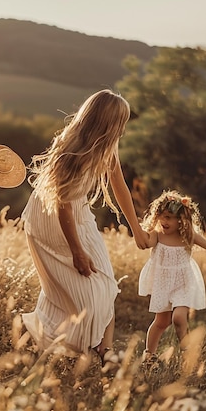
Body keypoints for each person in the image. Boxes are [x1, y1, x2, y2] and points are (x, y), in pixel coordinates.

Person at [21, 89, 149, 365]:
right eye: (121, 122)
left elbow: (120, 187)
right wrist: (76, 250)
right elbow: (61, 205)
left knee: (105, 283)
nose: (123, 129)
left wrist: (136, 228)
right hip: (51, 218)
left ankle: (104, 350)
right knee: (80, 288)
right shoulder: (71, 151)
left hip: (79, 213)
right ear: (106, 123)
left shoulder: (106, 146)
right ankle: (48, 335)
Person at [138, 189, 206, 365]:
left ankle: (188, 356)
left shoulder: (188, 236)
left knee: (178, 318)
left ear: (181, 219)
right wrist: (135, 226)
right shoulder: (157, 235)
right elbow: (146, 242)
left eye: (169, 217)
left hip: (183, 282)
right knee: (161, 321)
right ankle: (149, 355)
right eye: (162, 216)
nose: (164, 221)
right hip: (163, 282)